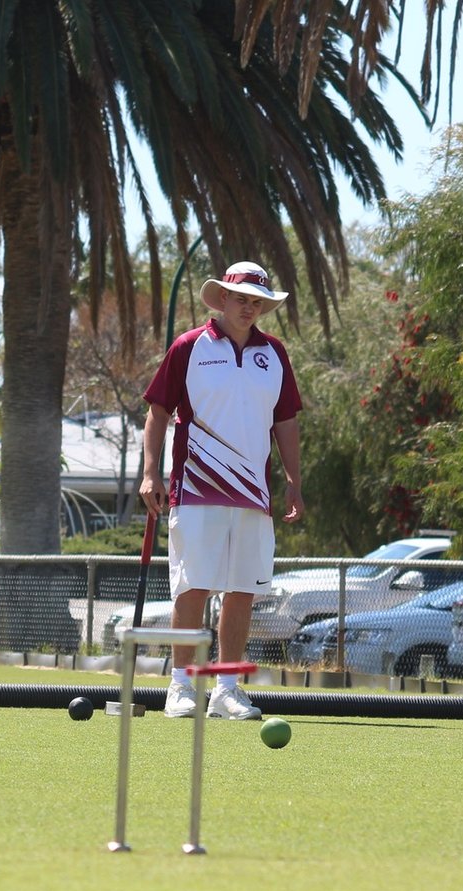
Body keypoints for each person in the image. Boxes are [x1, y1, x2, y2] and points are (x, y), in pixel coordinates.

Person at [138, 261, 304, 720]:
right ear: (223, 299)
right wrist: (151, 473)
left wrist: (293, 480)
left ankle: (227, 691)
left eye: (258, 300)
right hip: (195, 488)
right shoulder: (188, 347)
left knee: (242, 590)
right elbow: (157, 412)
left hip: (253, 493)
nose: (249, 306)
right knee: (194, 587)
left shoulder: (274, 353)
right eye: (242, 298)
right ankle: (181, 688)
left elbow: (285, 420)